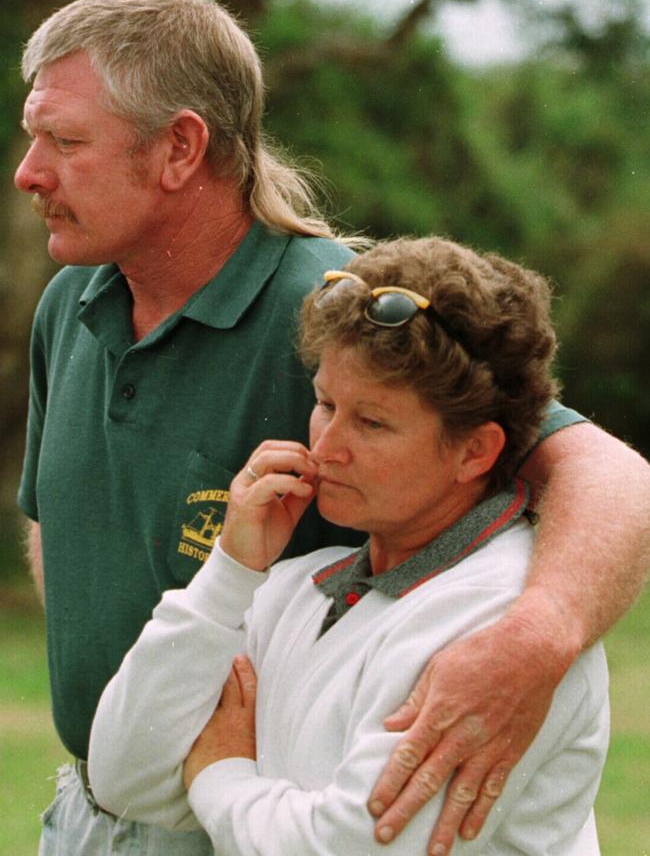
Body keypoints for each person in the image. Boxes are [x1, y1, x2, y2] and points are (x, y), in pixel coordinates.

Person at [13, 0, 649, 854]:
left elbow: (609, 475)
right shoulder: (69, 303)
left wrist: (536, 639)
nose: (29, 171)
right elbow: (63, 524)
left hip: (233, 822)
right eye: (32, 134)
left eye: (66, 141)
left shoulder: (340, 314)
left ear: (180, 149)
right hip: (93, 805)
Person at [89, 236, 609, 855]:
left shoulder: (494, 621)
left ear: (477, 450)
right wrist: (228, 573)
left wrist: (221, 774)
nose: (327, 445)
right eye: (324, 403)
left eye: (371, 423)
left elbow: (354, 847)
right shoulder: (295, 587)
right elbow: (123, 776)